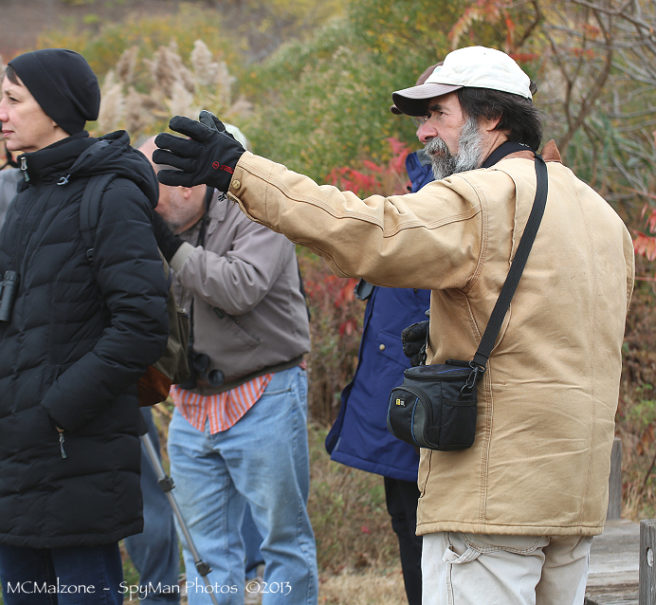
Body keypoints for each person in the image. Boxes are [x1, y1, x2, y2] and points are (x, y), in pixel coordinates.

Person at [152, 45, 635, 605]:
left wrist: (238, 171)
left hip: (491, 501)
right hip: (574, 500)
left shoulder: (479, 197)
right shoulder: (601, 214)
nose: (424, 132)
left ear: (493, 116)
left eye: (438, 114)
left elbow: (360, 230)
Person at [0, 48, 169, 604]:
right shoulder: (29, 190)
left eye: (12, 99)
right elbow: (8, 315)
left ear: (55, 111)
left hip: (73, 457)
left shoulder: (109, 193)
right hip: (13, 456)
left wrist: (56, 410)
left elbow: (141, 323)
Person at [139, 132, 317, 605]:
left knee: (284, 544)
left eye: (148, 186)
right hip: (191, 406)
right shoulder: (156, 225)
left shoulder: (260, 213)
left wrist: (166, 247)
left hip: (265, 395)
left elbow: (240, 287)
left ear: (185, 185)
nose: (143, 201)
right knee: (204, 550)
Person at [325, 149, 434, 605]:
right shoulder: (417, 197)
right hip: (402, 412)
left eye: (436, 112)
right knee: (411, 535)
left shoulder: (458, 200)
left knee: (444, 546)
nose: (423, 130)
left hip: (440, 414)